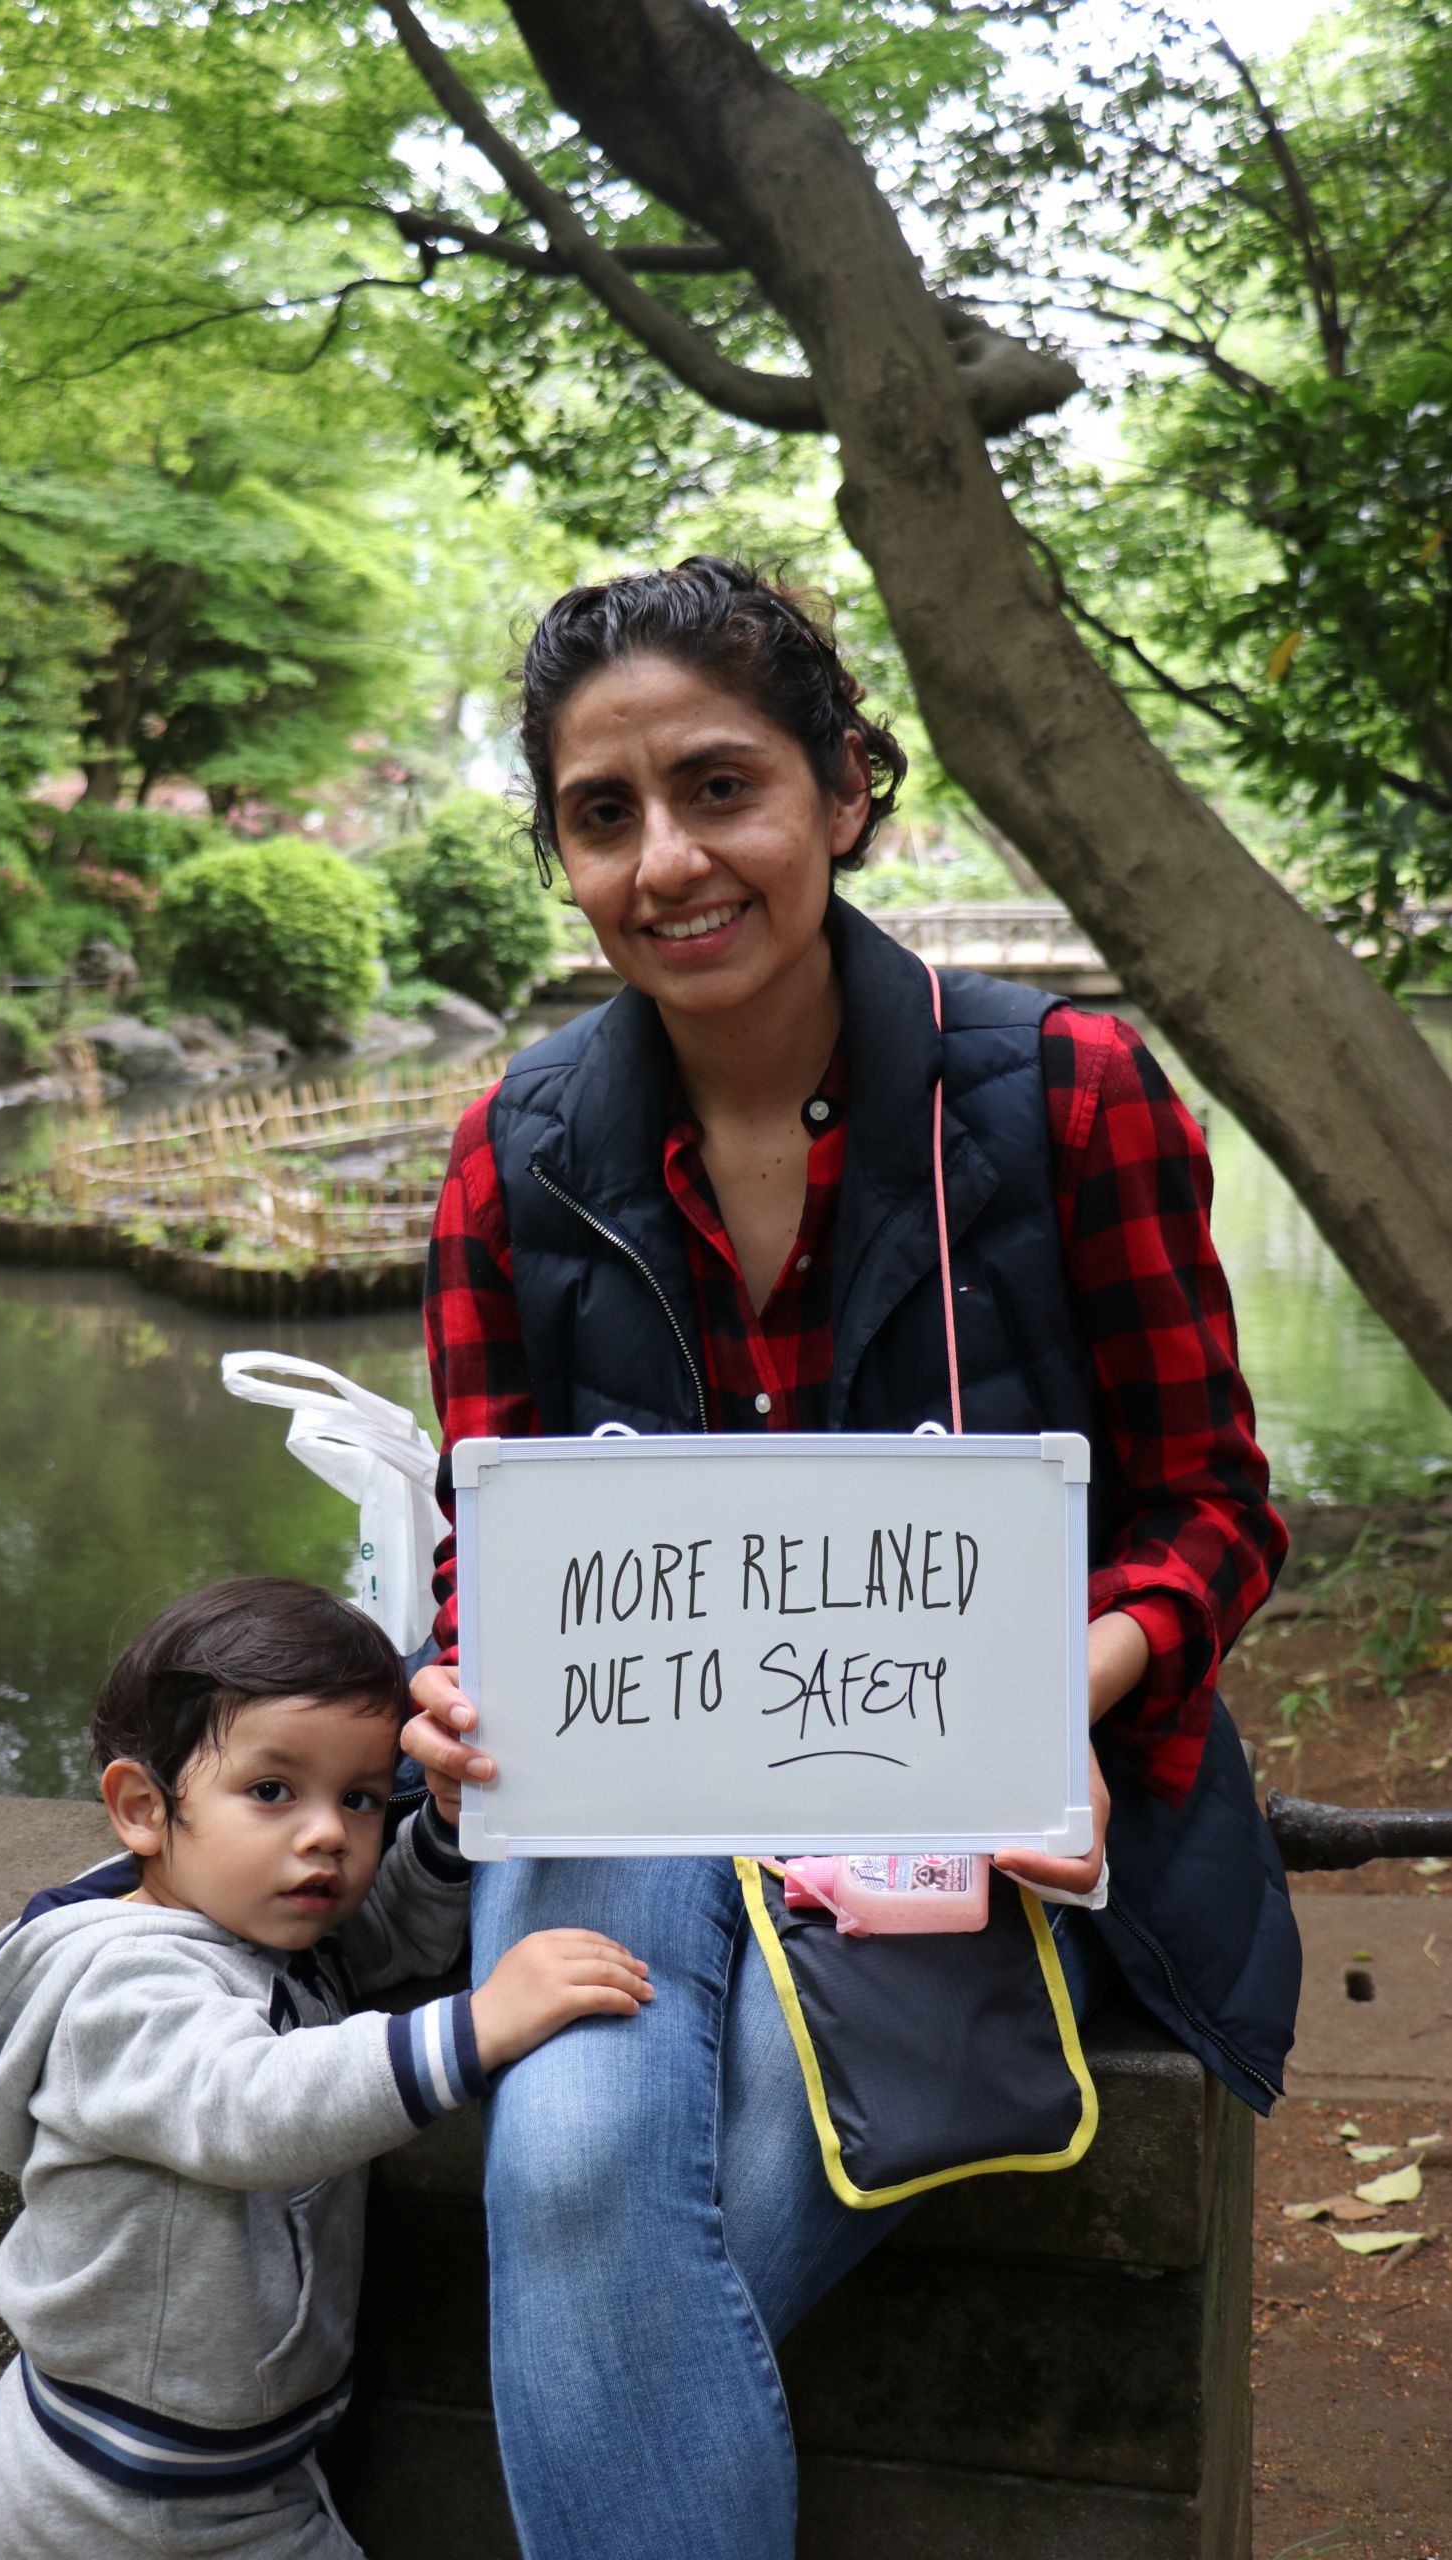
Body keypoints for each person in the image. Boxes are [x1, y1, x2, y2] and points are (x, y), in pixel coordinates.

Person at [404, 557, 1300, 2559]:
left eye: (718, 786)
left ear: (843, 788)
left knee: (691, 2192)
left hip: (957, 1786)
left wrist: (1054, 1685)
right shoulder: (507, 1154)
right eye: (602, 813)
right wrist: (464, 1683)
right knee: (570, 2158)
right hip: (629, 1777)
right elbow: (492, 1536)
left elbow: (1214, 1509)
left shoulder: (1068, 1097)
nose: (666, 860)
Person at [0, 1577, 650, 2560]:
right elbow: (249, 2106)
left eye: (359, 1798)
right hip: (132, 2496)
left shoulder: (254, 1915)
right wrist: (479, 2024)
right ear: (142, 1808)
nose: (327, 1834)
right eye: (272, 1792)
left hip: (231, 2458)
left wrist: (440, 1829)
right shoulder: (119, 1989)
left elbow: (384, 1931)